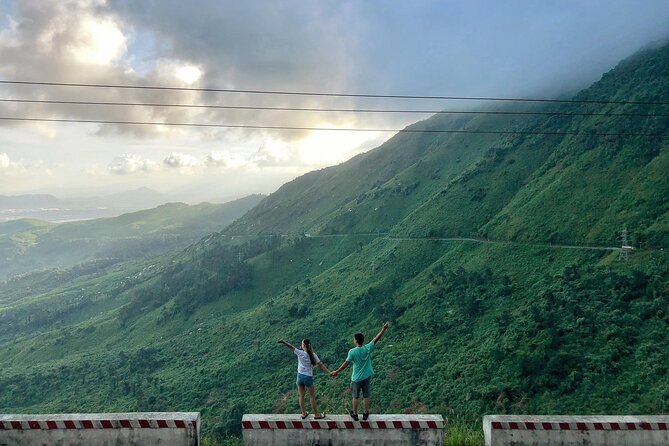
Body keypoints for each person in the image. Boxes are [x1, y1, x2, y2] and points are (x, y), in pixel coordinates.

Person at [330, 322, 390, 421]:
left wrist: (336, 371)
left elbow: (346, 364)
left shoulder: (352, 352)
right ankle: (366, 413)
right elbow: (376, 339)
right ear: (363, 340)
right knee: (366, 395)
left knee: (355, 396)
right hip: (367, 376)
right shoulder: (367, 348)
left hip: (356, 378)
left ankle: (355, 414)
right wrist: (383, 329)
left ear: (356, 341)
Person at [277, 338, 330, 419]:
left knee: (301, 396)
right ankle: (316, 415)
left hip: (299, 376)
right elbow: (321, 365)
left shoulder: (300, 353)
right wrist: (329, 373)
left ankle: (303, 413)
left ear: (303, 345)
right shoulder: (313, 355)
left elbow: (290, 346)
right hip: (308, 377)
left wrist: (283, 342)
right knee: (311, 397)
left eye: (302, 344)